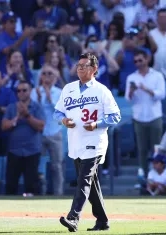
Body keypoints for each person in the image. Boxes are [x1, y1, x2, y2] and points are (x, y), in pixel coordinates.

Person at [53, 52, 121, 232]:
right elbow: (57, 112)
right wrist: (63, 121)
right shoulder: (68, 88)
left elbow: (115, 116)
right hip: (75, 142)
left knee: (83, 180)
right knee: (91, 184)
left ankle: (73, 217)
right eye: (79, 65)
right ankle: (102, 221)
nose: (80, 68)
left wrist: (97, 124)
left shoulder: (101, 90)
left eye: (84, 65)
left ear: (94, 69)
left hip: (94, 141)